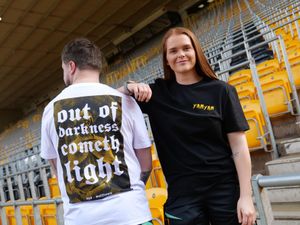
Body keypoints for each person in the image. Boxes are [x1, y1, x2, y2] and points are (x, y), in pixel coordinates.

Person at [120, 27, 256, 225]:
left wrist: (245, 196)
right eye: (173, 51)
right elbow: (107, 98)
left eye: (186, 48)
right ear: (166, 59)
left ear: (196, 52)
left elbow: (239, 147)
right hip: (182, 196)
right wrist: (128, 86)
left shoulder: (221, 91)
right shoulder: (156, 94)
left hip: (225, 189)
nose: (181, 54)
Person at [40, 38, 153, 225]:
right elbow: (145, 162)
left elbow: (56, 166)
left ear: (71, 66)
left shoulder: (50, 109)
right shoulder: (125, 101)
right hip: (131, 213)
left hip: (81, 218)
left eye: (63, 69)